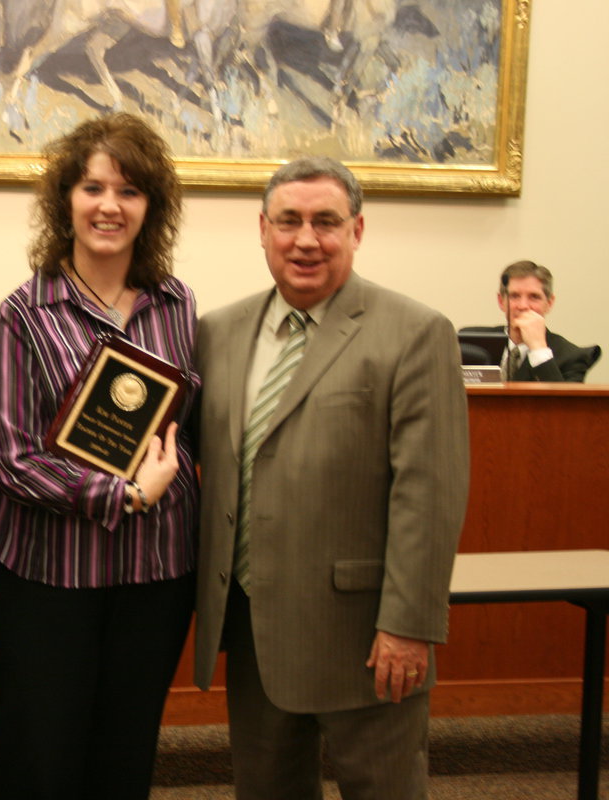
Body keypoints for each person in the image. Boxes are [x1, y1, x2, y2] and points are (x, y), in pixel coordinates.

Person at [193, 156, 469, 800]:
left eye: (326, 221)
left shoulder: (415, 333)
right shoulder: (219, 332)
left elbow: (429, 493)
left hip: (366, 639)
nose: (306, 239)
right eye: (288, 221)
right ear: (262, 228)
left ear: (358, 230)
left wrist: (409, 624)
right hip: (254, 628)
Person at [0, 113, 200, 800]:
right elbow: (13, 456)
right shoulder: (25, 312)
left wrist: (176, 475)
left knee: (125, 753)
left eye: (130, 191)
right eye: (93, 187)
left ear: (151, 208)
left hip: (154, 576)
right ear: (64, 201)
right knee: (39, 756)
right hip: (50, 581)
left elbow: (188, 430)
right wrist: (125, 495)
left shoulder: (177, 303)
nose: (110, 205)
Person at [462, 260, 601, 382]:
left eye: (534, 297)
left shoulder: (571, 356)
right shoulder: (469, 343)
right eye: (514, 296)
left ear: (549, 303)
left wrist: (538, 349)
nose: (523, 306)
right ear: (501, 301)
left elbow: (565, 409)